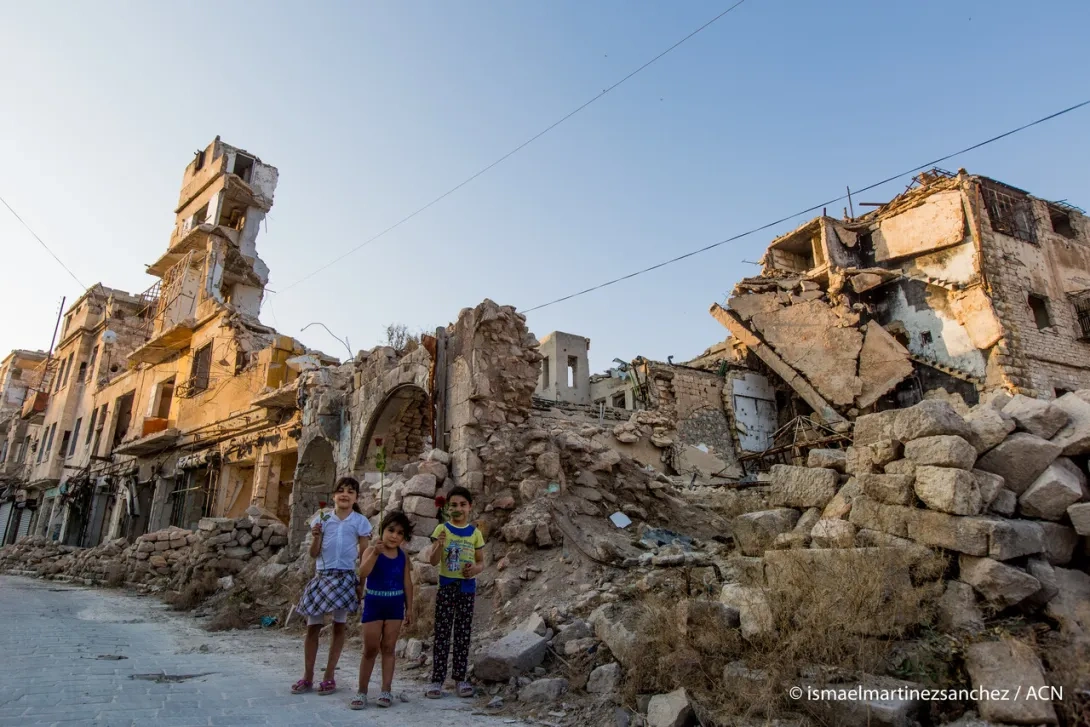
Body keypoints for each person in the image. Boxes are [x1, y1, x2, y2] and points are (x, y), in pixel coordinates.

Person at [291, 477, 372, 696]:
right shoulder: (322, 518)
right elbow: (314, 553)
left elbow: (365, 554)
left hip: (345, 577)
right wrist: (316, 537)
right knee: (312, 626)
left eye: (350, 491)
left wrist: (361, 584)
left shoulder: (360, 522)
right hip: (323, 575)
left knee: (339, 625)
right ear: (334, 495)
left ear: (356, 497)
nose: (345, 495)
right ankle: (307, 676)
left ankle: (329, 676)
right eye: (341, 491)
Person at [425, 486, 485, 699]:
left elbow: (481, 562)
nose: (458, 508)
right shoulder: (442, 530)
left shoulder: (475, 533)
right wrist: (439, 545)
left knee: (462, 633)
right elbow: (432, 561)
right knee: (442, 632)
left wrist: (474, 570)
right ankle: (437, 680)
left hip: (467, 588)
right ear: (448, 508)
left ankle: (460, 678)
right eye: (454, 505)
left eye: (462, 504)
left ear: (469, 507)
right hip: (447, 587)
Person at [351, 511, 414, 710]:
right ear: (382, 530)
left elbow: (407, 582)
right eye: (391, 530)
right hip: (374, 603)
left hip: (395, 606)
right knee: (370, 649)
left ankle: (386, 690)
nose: (394, 536)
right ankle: (362, 692)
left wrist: (409, 608)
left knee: (389, 648)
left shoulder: (403, 556)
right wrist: (376, 554)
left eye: (400, 533)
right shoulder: (371, 550)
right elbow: (363, 572)